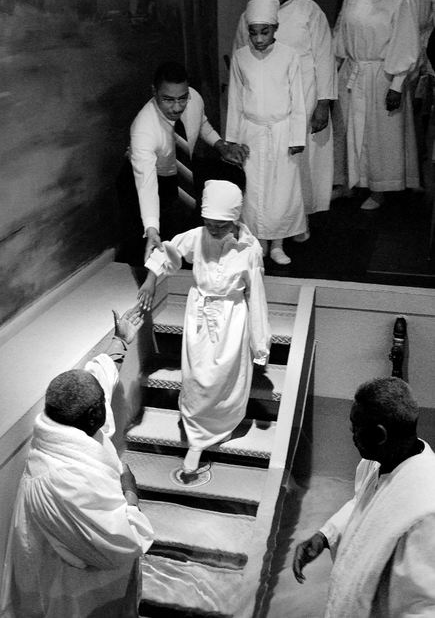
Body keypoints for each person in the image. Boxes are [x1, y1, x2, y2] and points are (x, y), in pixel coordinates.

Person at [0, 306, 154, 618]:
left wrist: (120, 341)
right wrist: (130, 493)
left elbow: (99, 375)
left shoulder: (62, 423)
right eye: (101, 407)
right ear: (93, 415)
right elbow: (120, 544)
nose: (105, 410)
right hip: (79, 594)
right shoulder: (63, 481)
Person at [138, 180, 271, 483]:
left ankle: (218, 427)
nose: (213, 229)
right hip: (199, 313)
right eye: (209, 222)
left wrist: (259, 342)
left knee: (224, 375)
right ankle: (197, 436)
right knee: (197, 375)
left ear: (234, 219)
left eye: (221, 225)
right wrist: (150, 279)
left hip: (231, 317)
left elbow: (257, 297)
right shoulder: (197, 237)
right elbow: (168, 252)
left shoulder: (249, 250)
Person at [293, 376, 435, 617]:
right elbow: (362, 505)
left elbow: (423, 606)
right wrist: (325, 536)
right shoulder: (376, 464)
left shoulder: (425, 511)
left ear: (380, 435)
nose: (351, 432)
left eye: (356, 426)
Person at [233, 0, 337, 232]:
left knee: (301, 162)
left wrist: (323, 104)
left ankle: (300, 220)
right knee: (268, 167)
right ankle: (267, 224)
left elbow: (325, 57)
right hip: (268, 104)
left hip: (305, 95)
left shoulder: (309, 10)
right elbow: (240, 61)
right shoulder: (250, 15)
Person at [129, 61, 248, 261]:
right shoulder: (143, 129)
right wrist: (151, 228)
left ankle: (221, 238)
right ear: (154, 91)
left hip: (184, 167)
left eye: (182, 98)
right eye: (168, 99)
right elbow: (146, 184)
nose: (177, 107)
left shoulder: (195, 100)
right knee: (163, 241)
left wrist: (221, 146)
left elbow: (201, 123)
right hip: (155, 178)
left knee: (233, 173)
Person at [333, 0, 420, 210]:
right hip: (354, 71)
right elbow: (340, 30)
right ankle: (350, 182)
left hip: (382, 75)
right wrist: (334, 68)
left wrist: (396, 85)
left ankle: (379, 188)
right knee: (348, 130)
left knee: (379, 136)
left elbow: (405, 42)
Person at [226, 0, 307, 266]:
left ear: (275, 29)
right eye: (253, 32)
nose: (259, 39)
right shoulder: (240, 57)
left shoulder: (289, 56)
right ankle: (257, 242)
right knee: (253, 190)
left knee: (281, 190)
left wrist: (297, 136)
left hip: (282, 131)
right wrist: (232, 141)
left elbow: (298, 98)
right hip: (251, 132)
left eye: (265, 32)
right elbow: (235, 100)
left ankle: (278, 243)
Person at [391, 0, 435, 185]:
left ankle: (416, 172)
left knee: (419, 112)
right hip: (395, 47)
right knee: (395, 113)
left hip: (424, 44)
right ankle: (396, 170)